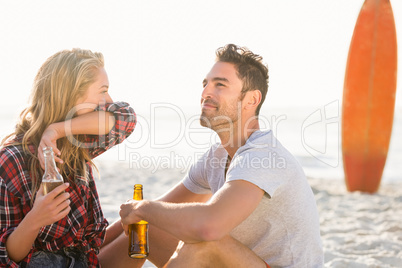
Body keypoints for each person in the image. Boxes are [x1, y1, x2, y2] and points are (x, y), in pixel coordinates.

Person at [109, 44, 324, 267]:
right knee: (148, 225)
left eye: (220, 85)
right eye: (205, 84)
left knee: (205, 243)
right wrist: (91, 245)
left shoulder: (263, 155)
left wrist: (142, 208)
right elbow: (157, 209)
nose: (205, 93)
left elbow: (209, 227)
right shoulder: (218, 156)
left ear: (251, 99)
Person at [0, 48, 136, 267]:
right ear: (72, 96)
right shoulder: (13, 158)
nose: (109, 99)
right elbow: (7, 257)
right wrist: (35, 219)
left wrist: (56, 130)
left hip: (86, 261)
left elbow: (125, 118)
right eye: (102, 91)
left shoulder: (78, 142)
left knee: (145, 225)